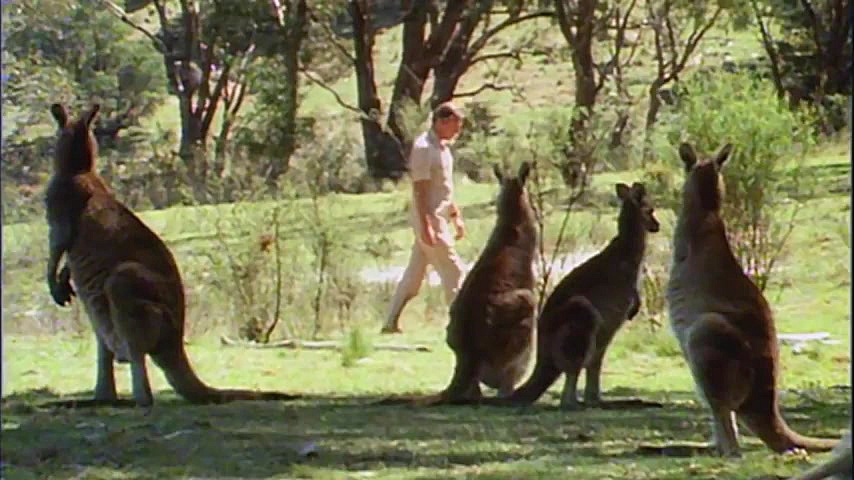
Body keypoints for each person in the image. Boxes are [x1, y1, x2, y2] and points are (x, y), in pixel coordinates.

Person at [381, 102, 467, 334]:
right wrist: (427, 225)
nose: (458, 130)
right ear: (441, 122)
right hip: (429, 220)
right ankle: (461, 325)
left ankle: (390, 323)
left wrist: (456, 215)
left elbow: (444, 189)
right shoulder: (423, 148)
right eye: (455, 125)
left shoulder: (443, 149)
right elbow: (421, 189)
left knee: (414, 275)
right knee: (454, 272)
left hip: (439, 217)